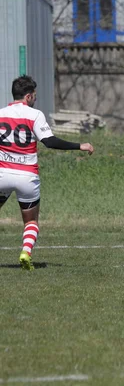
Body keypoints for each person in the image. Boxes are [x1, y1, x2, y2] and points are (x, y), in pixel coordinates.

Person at [0, 76, 94, 271]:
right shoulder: (34, 115)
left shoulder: (1, 114)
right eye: (34, 95)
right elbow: (49, 141)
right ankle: (26, 251)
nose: (35, 98)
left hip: (2, 174)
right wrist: (80, 145)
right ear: (27, 96)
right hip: (26, 176)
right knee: (31, 221)